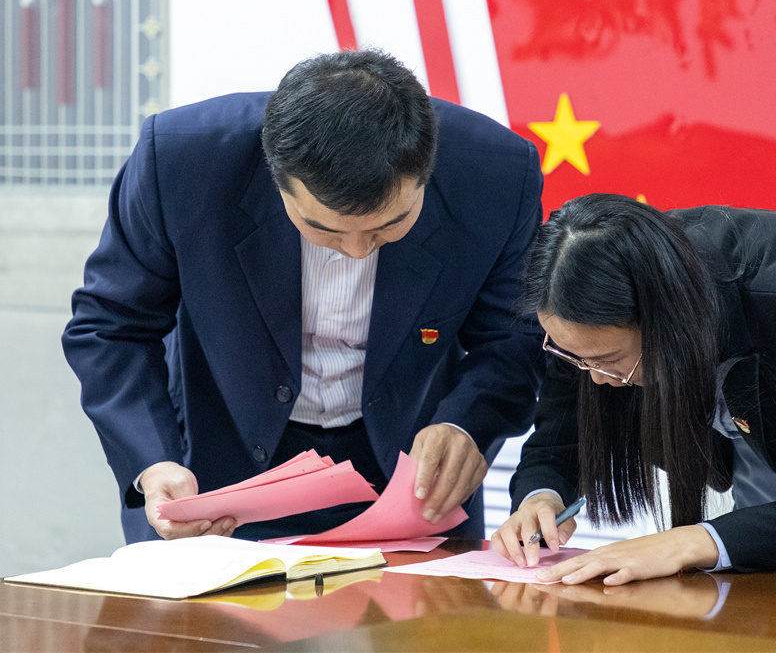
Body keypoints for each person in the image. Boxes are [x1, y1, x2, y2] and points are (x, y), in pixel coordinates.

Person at [63, 49, 544, 544]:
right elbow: (111, 325)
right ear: (277, 180)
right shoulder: (183, 160)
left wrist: (466, 425)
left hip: (410, 481)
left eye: (389, 226)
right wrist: (153, 461)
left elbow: (515, 338)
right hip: (214, 473)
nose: (357, 251)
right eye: (324, 229)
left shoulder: (497, 175)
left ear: (427, 170)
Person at [491, 193, 776, 584]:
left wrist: (684, 543)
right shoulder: (579, 314)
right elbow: (560, 439)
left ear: (667, 324)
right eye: (575, 358)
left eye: (608, 361)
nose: (596, 378)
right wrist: (541, 496)